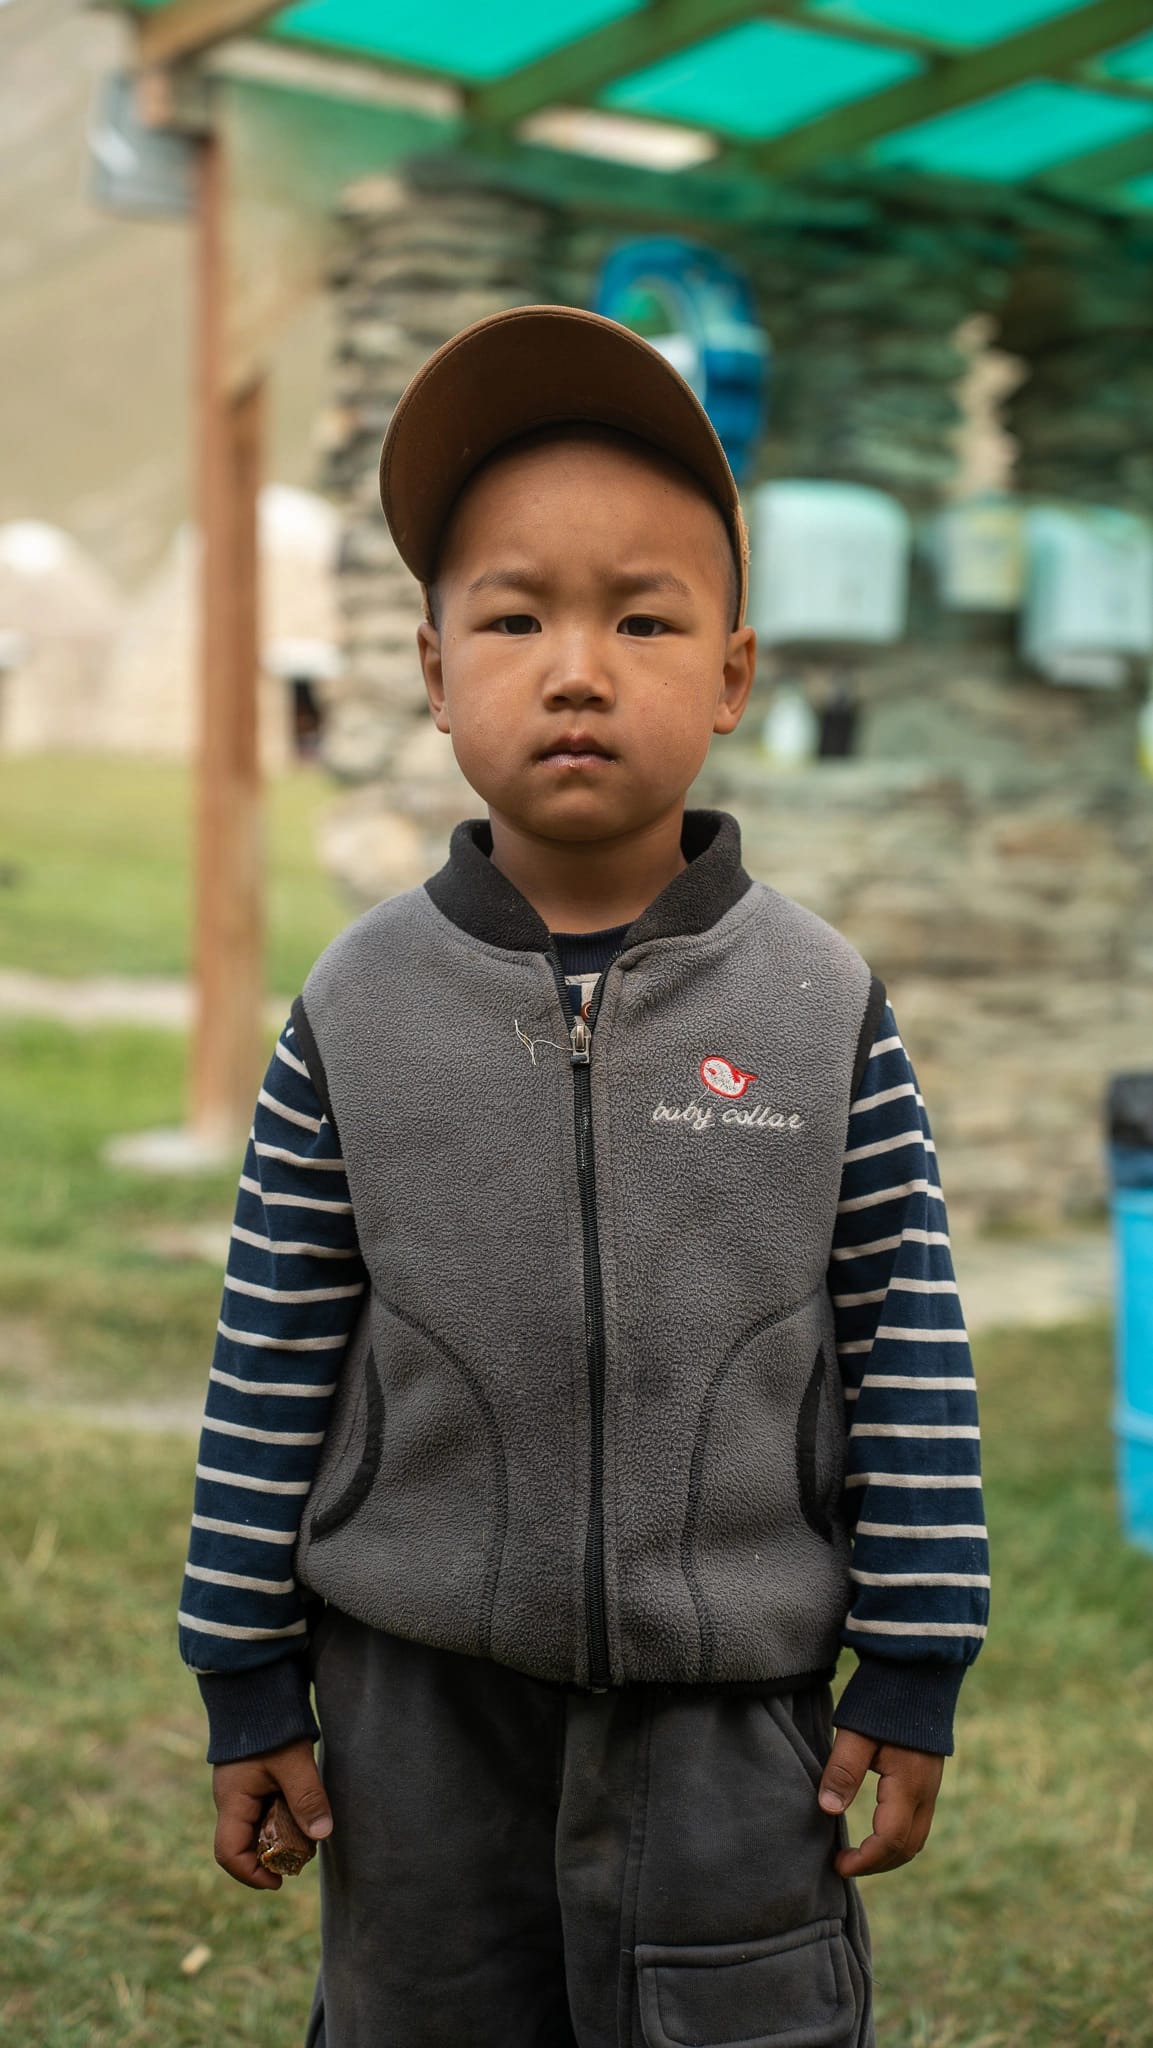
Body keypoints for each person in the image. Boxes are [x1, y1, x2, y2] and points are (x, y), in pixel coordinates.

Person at [178, 305, 989, 2048]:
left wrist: (912, 1661)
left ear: (731, 674)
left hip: (735, 1721)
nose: (574, 666)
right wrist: (245, 1672)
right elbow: (270, 1362)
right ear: (427, 667)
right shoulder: (353, 1009)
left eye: (640, 617)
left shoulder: (820, 1007)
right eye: (514, 615)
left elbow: (908, 1347)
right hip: (414, 1719)